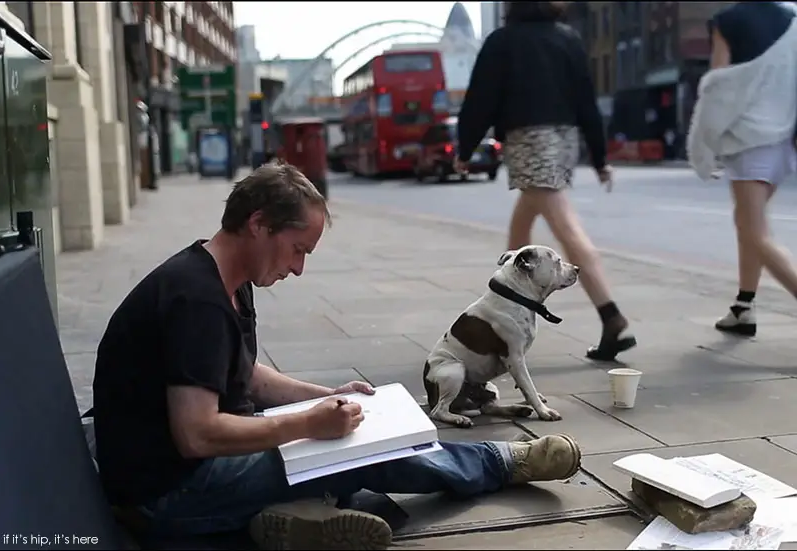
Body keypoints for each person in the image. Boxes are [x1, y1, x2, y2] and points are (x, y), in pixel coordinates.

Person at [90, 160, 582, 550]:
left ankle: (299, 513)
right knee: (345, 452)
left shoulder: (224, 277)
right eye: (298, 249)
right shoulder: (196, 300)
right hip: (169, 494)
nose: (299, 269)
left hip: (193, 471)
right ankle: (497, 464)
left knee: (354, 429)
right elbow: (196, 435)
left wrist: (328, 398)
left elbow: (246, 376)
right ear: (259, 224)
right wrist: (308, 425)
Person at [454, 1, 636, 362]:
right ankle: (502, 315)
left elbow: (481, 99)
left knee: (567, 228)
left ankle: (611, 316)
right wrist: (599, 157)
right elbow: (587, 101)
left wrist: (465, 147)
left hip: (529, 141)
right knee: (521, 228)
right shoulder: (567, 39)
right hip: (564, 140)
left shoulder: (502, 42)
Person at [688, 2, 797, 338]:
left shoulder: (728, 21)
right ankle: (743, 306)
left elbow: (720, 86)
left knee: (755, 233)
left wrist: (706, 141)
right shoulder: (792, 19)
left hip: (748, 140)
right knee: (748, 224)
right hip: (782, 138)